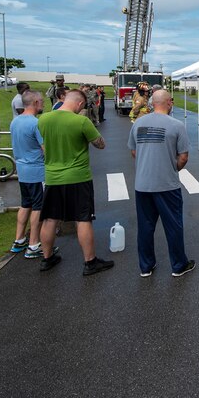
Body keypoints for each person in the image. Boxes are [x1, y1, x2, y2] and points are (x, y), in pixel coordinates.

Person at [37, 90, 113, 276]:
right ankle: (90, 261)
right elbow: (100, 144)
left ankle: (46, 258)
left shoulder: (44, 119)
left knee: (50, 218)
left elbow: (44, 145)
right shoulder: (81, 121)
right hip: (78, 177)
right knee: (83, 218)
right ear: (79, 104)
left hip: (53, 176)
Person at [128, 89, 194, 278]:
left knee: (145, 226)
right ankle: (178, 265)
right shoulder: (176, 125)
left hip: (142, 185)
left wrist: (145, 164)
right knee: (173, 225)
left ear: (152, 103)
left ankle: (146, 266)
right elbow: (183, 157)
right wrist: (171, 167)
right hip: (167, 185)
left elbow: (133, 151)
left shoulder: (138, 123)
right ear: (169, 103)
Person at [9, 90, 46, 259]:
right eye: (42, 101)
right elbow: (45, 148)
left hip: (22, 168)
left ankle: (19, 239)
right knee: (38, 207)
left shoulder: (15, 122)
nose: (43, 104)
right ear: (36, 102)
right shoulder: (35, 123)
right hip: (36, 170)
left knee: (25, 204)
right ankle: (34, 243)